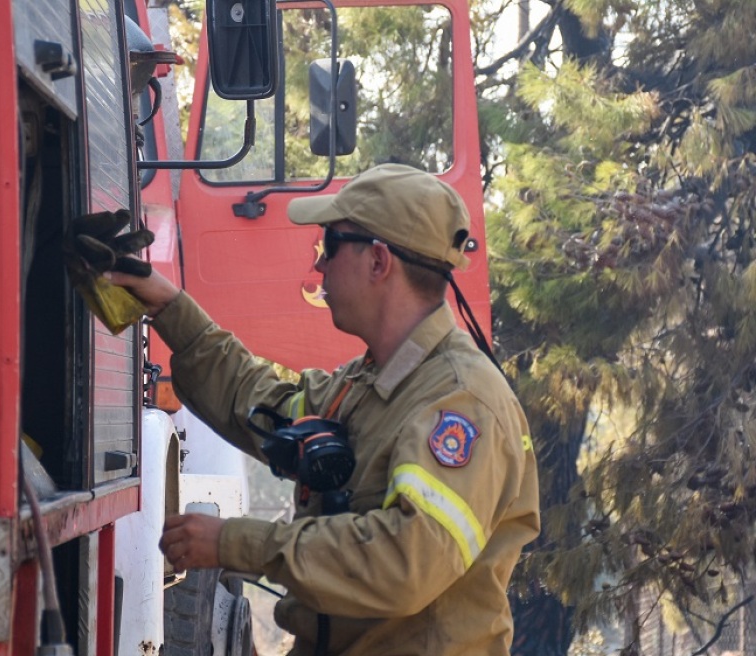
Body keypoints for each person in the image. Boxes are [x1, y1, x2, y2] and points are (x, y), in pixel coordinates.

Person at [107, 163, 541, 656]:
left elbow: (404, 563)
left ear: (379, 262)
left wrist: (238, 543)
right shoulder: (368, 383)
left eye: (330, 246)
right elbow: (263, 406)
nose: (319, 266)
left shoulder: (462, 403)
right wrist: (169, 308)